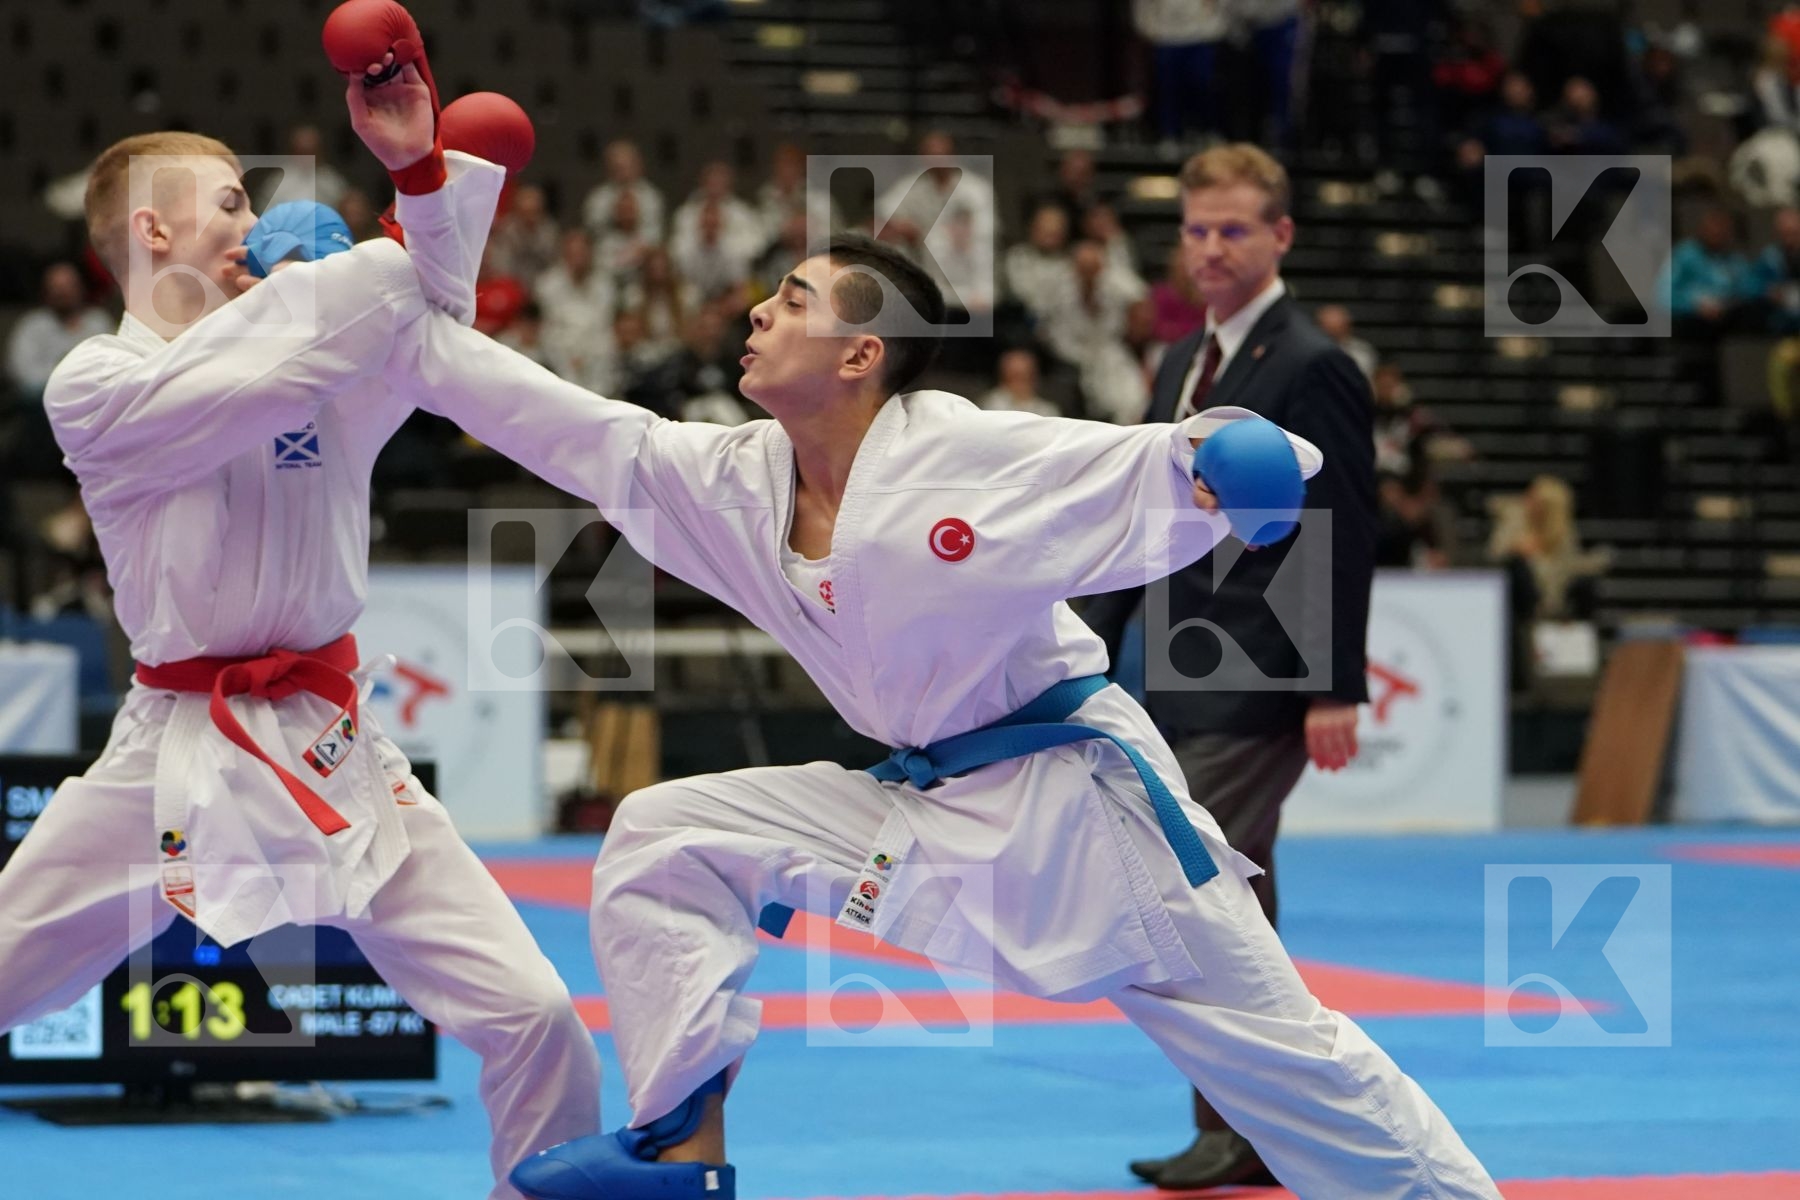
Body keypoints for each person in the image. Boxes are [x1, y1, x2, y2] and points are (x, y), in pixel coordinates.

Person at [370, 217, 1499, 1194]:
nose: (758, 312)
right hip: (922, 800)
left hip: (1078, 811)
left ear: (861, 354)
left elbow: (1124, 461)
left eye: (792, 299)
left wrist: (1231, 455)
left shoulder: (959, 449)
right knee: (666, 837)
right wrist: (387, 318)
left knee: (1293, 1066)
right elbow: (575, 429)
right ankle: (680, 1148)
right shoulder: (735, 476)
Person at [0, 42, 598, 1200]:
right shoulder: (96, 387)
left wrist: (424, 178)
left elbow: (426, 320)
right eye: (230, 201)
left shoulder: (313, 349)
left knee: (536, 1013)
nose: (256, 220)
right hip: (168, 752)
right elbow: (271, 369)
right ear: (150, 232)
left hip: (332, 745)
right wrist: (389, 224)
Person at [1081, 144, 1381, 1191]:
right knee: (1235, 909)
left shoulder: (1312, 363)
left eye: (1234, 230)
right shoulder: (1182, 362)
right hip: (1173, 666)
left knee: (1186, 891)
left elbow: (1339, 530)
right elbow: (1151, 513)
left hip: (1263, 674)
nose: (1210, 249)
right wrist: (1086, 632)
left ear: (1280, 236)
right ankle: (1254, 1132)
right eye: (1198, 230)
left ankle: (1278, 1124)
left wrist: (1334, 685)